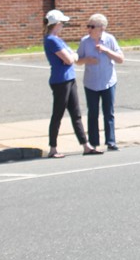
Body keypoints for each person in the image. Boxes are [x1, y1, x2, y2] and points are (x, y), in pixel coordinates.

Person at [42, 9, 100, 158]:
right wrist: (73, 56)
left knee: (76, 113)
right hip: (60, 81)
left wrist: (72, 56)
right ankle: (53, 148)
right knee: (58, 114)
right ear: (56, 24)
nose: (63, 26)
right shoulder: (51, 40)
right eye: (62, 23)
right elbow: (68, 59)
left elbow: (71, 56)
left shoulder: (57, 39)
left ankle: (86, 145)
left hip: (69, 78)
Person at [77, 13, 125, 152]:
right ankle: (93, 143)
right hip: (91, 83)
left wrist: (106, 50)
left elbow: (120, 59)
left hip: (108, 81)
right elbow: (78, 60)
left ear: (101, 28)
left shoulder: (109, 40)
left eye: (92, 26)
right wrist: (87, 60)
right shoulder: (85, 41)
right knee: (93, 113)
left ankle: (111, 141)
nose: (89, 29)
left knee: (108, 112)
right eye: (88, 26)